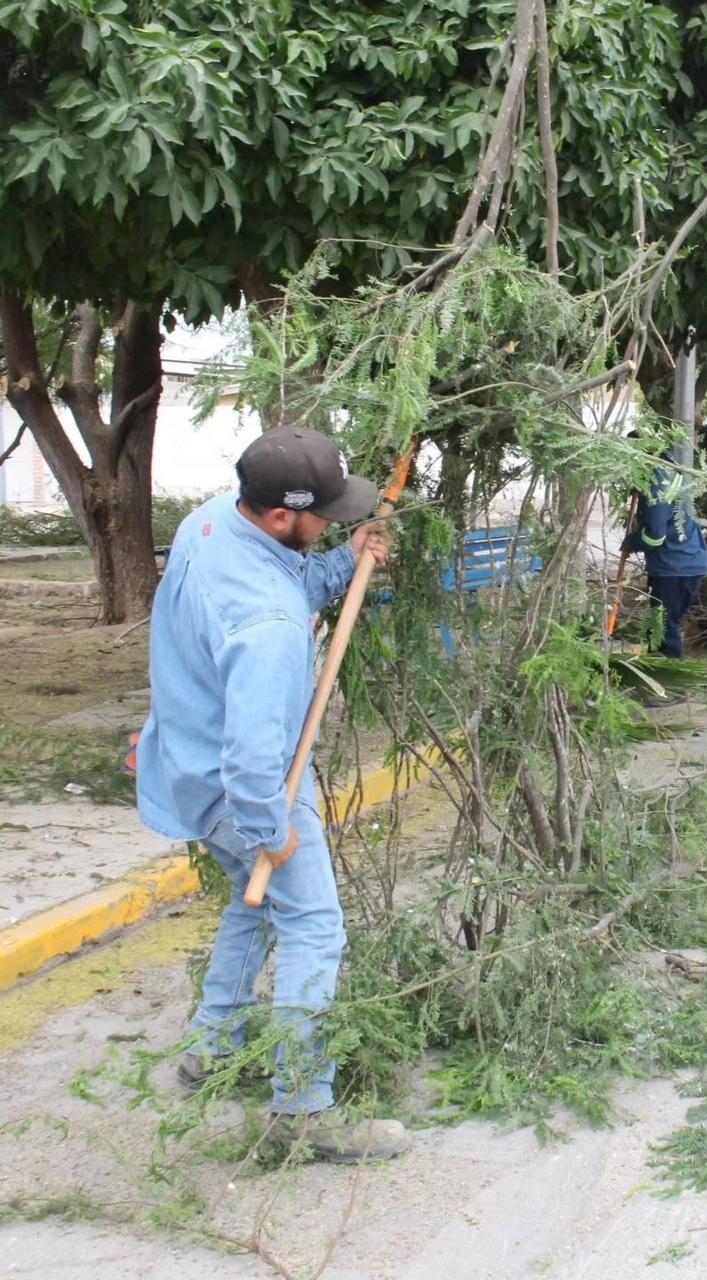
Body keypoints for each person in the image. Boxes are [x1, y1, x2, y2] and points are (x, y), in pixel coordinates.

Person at [136, 427, 408, 1163]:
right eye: (326, 515)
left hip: (186, 761)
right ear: (283, 516)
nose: (336, 523)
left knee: (251, 905)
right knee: (315, 927)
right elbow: (254, 760)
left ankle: (209, 1048)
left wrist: (340, 568)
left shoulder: (213, 520)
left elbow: (279, 576)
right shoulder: (269, 630)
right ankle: (302, 1110)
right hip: (244, 788)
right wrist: (270, 829)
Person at [621, 448, 707, 660]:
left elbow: (655, 536)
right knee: (659, 624)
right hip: (686, 564)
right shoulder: (669, 474)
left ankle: (672, 684)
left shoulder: (656, 482)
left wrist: (631, 542)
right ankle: (657, 674)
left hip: (674, 568)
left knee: (663, 626)